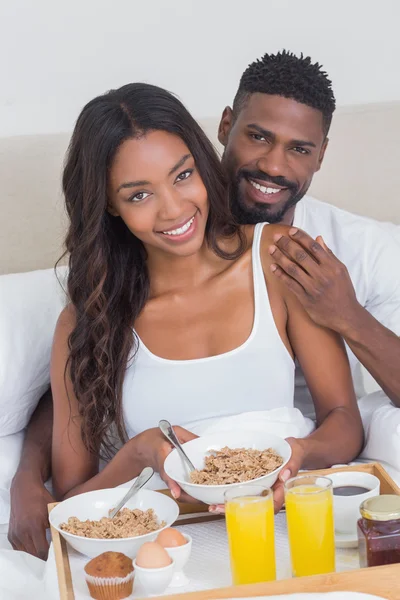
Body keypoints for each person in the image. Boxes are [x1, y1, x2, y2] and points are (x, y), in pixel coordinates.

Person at [10, 49, 400, 557]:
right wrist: (139, 452)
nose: (173, 210)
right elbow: (75, 500)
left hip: (291, 516)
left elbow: (343, 417)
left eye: (181, 176)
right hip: (172, 542)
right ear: (108, 203)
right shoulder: (90, 319)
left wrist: (299, 453)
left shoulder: (279, 257)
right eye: (138, 195)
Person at [217, 51, 400, 420]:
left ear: (321, 155)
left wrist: (347, 314)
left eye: (299, 149)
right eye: (258, 137)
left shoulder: (367, 246)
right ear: (225, 126)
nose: (273, 166)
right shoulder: (171, 231)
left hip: (320, 450)